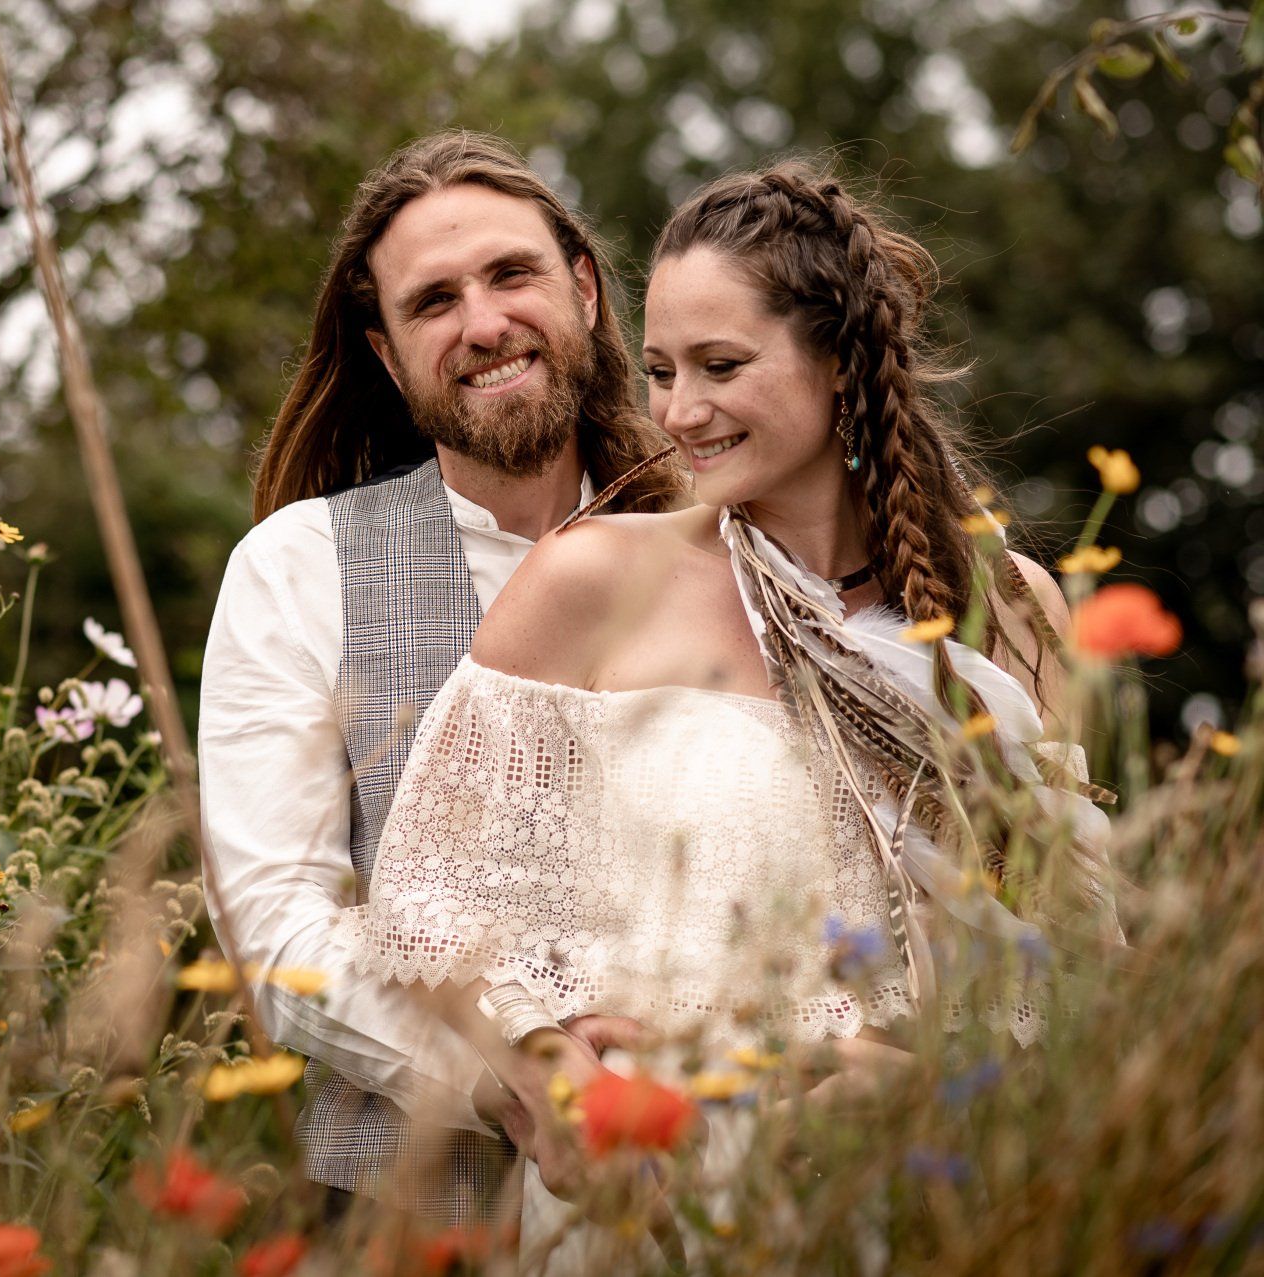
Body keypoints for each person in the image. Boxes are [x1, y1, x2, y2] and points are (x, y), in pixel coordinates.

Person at [331, 161, 1120, 1266]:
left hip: (932, 1191)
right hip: (665, 1198)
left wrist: (915, 1085)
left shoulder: (1010, 612)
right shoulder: (593, 582)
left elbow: (1070, 965)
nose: (678, 411)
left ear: (841, 361)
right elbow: (432, 907)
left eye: (722, 366)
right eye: (660, 370)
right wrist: (553, 1076)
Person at [197, 130, 684, 1225]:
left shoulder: (718, 550)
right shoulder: (299, 568)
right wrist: (515, 1080)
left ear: (585, 289)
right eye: (433, 302)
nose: (484, 323)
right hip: (412, 1217)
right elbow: (277, 924)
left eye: (512, 274)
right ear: (385, 352)